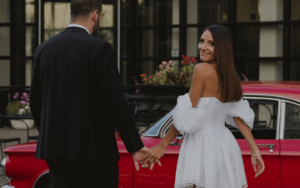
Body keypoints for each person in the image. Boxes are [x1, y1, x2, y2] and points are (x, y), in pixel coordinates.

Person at [30, 0, 159, 187]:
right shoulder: (99, 48)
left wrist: (51, 136)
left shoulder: (43, 49)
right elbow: (116, 101)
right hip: (95, 152)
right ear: (95, 15)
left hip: (56, 150)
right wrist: (135, 145)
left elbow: (35, 101)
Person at [142, 24, 265, 188]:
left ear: (221, 47)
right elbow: (239, 116)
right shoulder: (230, 76)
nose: (203, 47)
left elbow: (187, 114)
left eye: (211, 43)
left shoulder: (201, 70)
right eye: (201, 41)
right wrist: (255, 151)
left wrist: (163, 145)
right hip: (225, 145)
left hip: (201, 143)